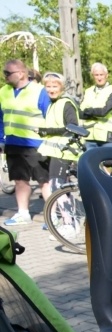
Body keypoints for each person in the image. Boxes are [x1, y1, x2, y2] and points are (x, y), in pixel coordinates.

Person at [0, 59, 51, 226]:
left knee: (44, 181)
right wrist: (1, 139)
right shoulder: (4, 91)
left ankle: (54, 217)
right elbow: (1, 117)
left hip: (36, 144)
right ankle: (23, 213)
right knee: (19, 180)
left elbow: (49, 116)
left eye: (8, 73)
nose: (5, 76)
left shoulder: (40, 91)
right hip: (14, 143)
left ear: (21, 73)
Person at [37, 72, 81, 240]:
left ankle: (70, 225)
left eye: (54, 86)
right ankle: (68, 222)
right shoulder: (52, 104)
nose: (51, 89)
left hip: (65, 151)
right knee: (58, 187)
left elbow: (72, 127)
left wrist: (48, 131)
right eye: (48, 86)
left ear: (61, 88)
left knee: (58, 187)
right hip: (54, 151)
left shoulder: (66, 103)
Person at [80, 62, 112, 149]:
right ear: (93, 76)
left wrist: (89, 111)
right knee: (90, 162)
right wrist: (94, 112)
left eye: (101, 75)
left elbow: (104, 112)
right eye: (96, 75)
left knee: (110, 162)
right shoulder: (88, 91)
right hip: (90, 136)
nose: (99, 78)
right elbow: (80, 113)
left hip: (109, 137)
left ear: (106, 75)